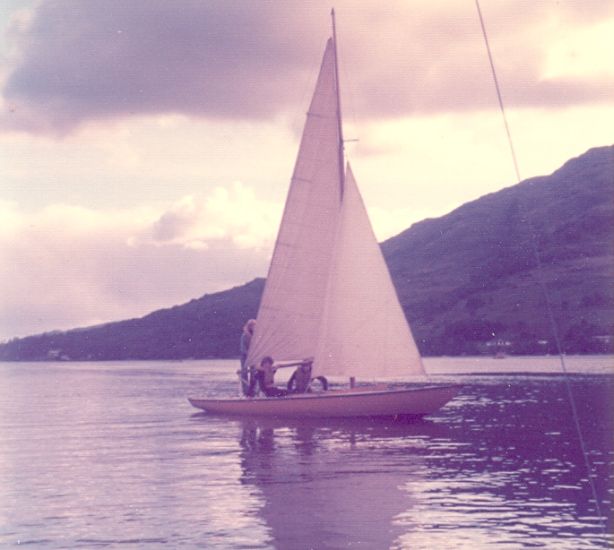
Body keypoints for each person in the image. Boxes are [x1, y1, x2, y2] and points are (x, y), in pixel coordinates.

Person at [239, 319, 256, 395]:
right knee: (244, 373)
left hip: (254, 356)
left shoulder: (256, 335)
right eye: (252, 326)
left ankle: (253, 390)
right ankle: (245, 391)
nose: (254, 327)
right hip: (244, 356)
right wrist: (249, 354)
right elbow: (242, 348)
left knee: (254, 373)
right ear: (249, 326)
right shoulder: (244, 335)